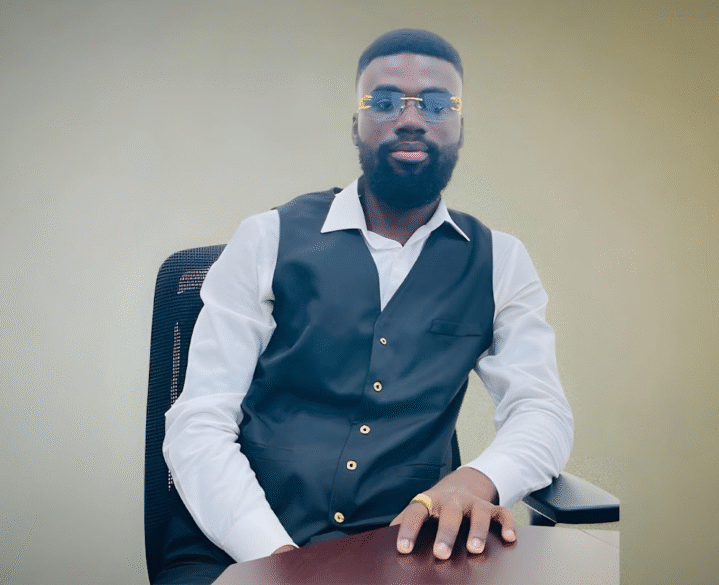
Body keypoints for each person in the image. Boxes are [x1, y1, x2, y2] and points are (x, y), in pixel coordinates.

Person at [160, 28, 573, 584]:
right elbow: (198, 422)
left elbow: (541, 410)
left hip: (402, 555)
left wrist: (478, 479)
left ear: (458, 126)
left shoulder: (500, 260)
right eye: (383, 100)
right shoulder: (264, 238)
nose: (410, 118)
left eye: (435, 103)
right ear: (355, 122)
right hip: (241, 550)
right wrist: (278, 562)